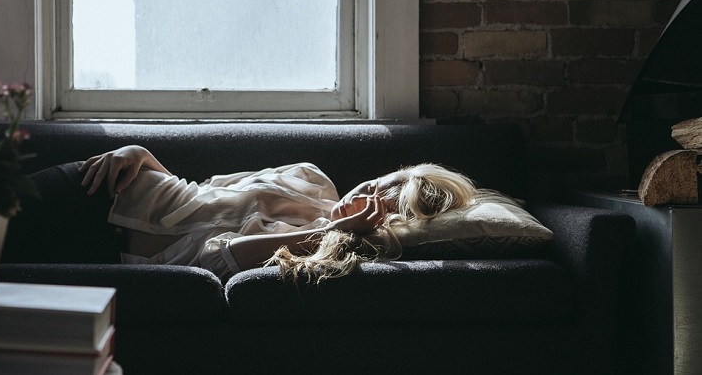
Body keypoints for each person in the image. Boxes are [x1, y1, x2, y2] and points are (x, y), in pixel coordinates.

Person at [64, 144, 478, 283]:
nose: (365, 193)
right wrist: (140, 154)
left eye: (382, 202)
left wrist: (336, 230)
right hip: (103, 187)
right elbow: (204, 191)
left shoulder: (327, 250)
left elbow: (215, 255)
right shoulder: (310, 177)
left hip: (103, 256)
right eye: (376, 183)